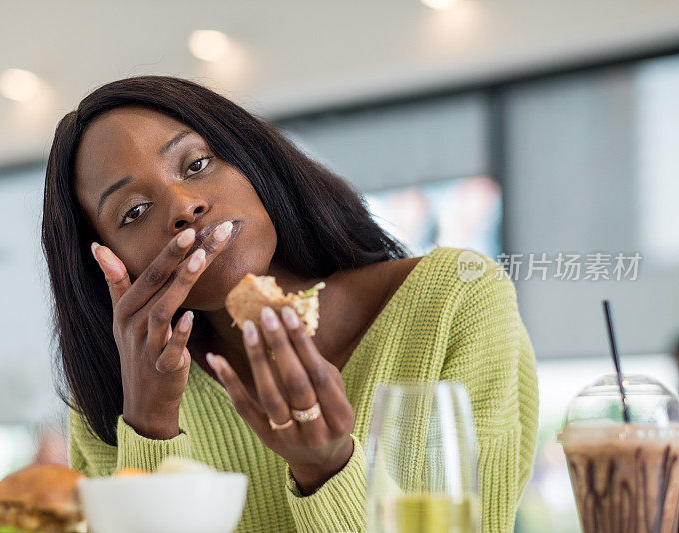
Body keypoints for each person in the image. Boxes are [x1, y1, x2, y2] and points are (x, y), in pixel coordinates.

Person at [40, 76, 539, 532]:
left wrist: (326, 468)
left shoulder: (455, 301)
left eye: (196, 164)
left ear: (253, 162)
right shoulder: (111, 401)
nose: (182, 207)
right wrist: (149, 428)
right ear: (106, 262)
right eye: (135, 212)